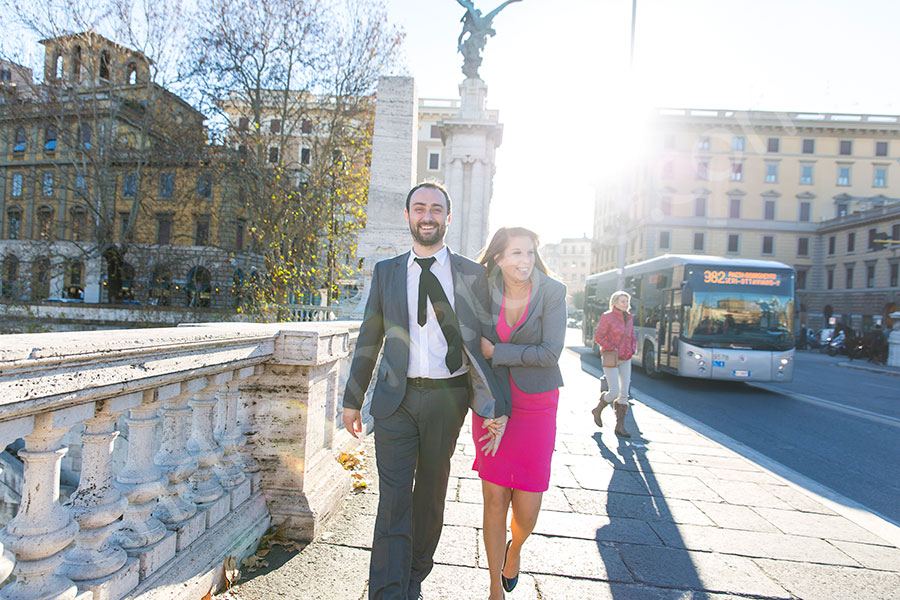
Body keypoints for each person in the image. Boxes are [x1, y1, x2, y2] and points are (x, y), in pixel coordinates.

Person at [342, 182, 510, 600]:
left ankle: (416, 571)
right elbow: (370, 337)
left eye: (436, 209)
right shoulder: (387, 272)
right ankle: (387, 590)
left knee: (431, 495)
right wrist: (352, 398)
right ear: (408, 216)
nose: (428, 215)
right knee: (393, 499)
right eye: (420, 208)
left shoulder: (473, 274)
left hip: (447, 399)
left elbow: (488, 342)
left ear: (448, 218)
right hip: (394, 400)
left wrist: (498, 404)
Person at [472, 227, 566, 600]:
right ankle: (495, 587)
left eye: (529, 252)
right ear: (498, 258)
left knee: (525, 510)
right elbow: (474, 352)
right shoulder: (482, 291)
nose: (525, 260)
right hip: (493, 406)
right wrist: (493, 406)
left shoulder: (553, 292)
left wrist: (500, 353)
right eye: (516, 253)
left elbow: (550, 353)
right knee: (494, 501)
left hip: (536, 407)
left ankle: (516, 548)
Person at [591, 291, 638, 438]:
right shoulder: (607, 317)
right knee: (614, 392)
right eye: (622, 301)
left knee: (624, 394)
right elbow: (598, 337)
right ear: (615, 302)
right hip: (611, 356)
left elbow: (631, 337)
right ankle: (598, 409)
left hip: (626, 358)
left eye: (627, 301)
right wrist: (612, 347)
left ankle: (620, 426)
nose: (625, 304)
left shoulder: (629, 318)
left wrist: (632, 348)